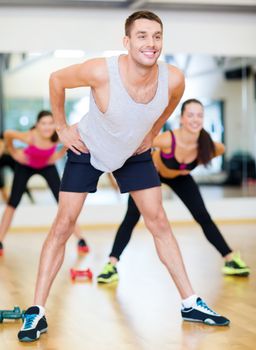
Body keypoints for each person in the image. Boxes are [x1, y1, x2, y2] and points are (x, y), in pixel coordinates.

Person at [18, 11, 230, 343]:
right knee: (63, 224)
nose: (151, 43)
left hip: (133, 153)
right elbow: (56, 79)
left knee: (158, 220)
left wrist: (155, 130)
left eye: (157, 36)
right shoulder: (101, 71)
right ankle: (36, 311)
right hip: (86, 148)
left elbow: (171, 102)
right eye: (143, 36)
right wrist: (60, 127)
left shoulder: (173, 78)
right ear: (127, 41)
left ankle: (190, 302)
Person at [97, 98, 250, 284]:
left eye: (199, 115)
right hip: (151, 174)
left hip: (180, 177)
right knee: (131, 217)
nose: (195, 119)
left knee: (202, 215)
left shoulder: (205, 142)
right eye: (190, 115)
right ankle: (111, 265)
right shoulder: (169, 139)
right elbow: (140, 146)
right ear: (182, 118)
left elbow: (220, 149)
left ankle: (230, 259)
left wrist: (196, 162)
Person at [0, 110, 88, 257]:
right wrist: (14, 152)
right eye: (43, 123)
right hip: (26, 165)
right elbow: (8, 134)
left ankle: (81, 240)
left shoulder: (58, 137)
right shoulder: (29, 136)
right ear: (37, 125)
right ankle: (0, 240)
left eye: (50, 123)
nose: (47, 127)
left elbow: (72, 141)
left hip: (46, 166)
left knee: (64, 204)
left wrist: (57, 156)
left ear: (55, 125)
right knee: (12, 202)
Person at [0, 136, 34, 203]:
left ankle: (29, 196)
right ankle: (5, 196)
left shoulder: (5, 137)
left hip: (10, 158)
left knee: (20, 178)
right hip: (4, 158)